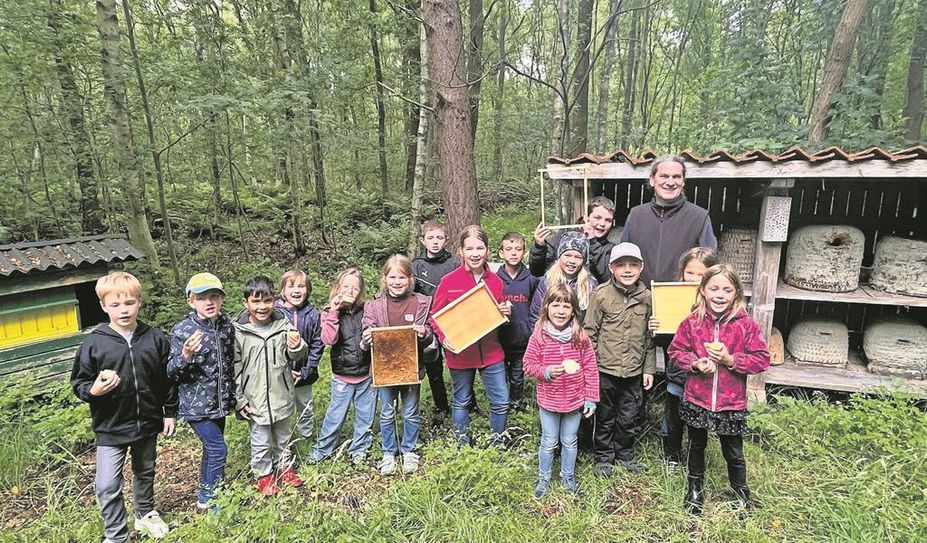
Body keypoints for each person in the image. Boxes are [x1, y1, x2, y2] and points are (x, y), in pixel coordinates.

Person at [71, 271, 176, 542]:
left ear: (139, 302)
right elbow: (79, 382)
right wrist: (93, 390)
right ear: (104, 306)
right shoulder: (94, 343)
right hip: (111, 426)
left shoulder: (155, 338)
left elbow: (167, 379)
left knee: (145, 471)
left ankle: (145, 514)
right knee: (107, 484)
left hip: (147, 421)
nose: (123, 310)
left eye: (129, 303)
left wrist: (169, 411)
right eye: (115, 305)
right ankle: (116, 535)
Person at [667, 263, 769, 515]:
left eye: (727, 290)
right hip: (697, 398)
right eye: (714, 289)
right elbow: (675, 351)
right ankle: (694, 488)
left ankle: (740, 492)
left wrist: (730, 360)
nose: (720, 295)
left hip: (730, 401)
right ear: (703, 290)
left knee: (733, 450)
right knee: (696, 445)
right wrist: (695, 363)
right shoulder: (692, 322)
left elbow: (761, 359)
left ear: (736, 293)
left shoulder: (746, 325)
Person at [430, 225, 512, 447]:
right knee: (461, 400)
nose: (475, 254)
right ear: (461, 251)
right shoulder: (449, 281)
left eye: (479, 248)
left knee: (501, 401)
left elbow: (500, 314)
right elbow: (435, 317)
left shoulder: (496, 281)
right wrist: (443, 337)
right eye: (469, 249)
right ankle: (463, 445)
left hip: (491, 352)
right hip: (461, 353)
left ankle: (497, 444)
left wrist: (506, 311)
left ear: (487, 250)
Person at [583, 243, 655, 476]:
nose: (627, 270)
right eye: (621, 265)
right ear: (611, 268)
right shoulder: (601, 295)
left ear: (641, 267)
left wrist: (649, 369)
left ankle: (625, 454)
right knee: (605, 416)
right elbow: (590, 333)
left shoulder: (648, 298)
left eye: (633, 265)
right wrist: (591, 368)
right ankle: (604, 456)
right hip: (605, 370)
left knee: (628, 416)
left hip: (634, 371)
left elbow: (649, 337)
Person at [361, 255, 436, 475]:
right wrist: (367, 336)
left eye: (402, 277)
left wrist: (425, 333)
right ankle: (389, 452)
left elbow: (430, 333)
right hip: (384, 369)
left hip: (411, 368)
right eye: (392, 277)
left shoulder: (421, 303)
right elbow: (366, 332)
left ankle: (409, 450)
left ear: (410, 279)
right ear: (384, 279)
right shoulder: (374, 306)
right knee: (387, 412)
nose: (397, 282)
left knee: (410, 411)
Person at [233, 275, 308, 496]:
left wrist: (296, 346)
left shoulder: (283, 324)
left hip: (281, 394)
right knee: (261, 440)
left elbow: (297, 353)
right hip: (254, 398)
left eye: (267, 301)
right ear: (246, 303)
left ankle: (285, 468)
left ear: (274, 300)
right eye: (256, 301)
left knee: (284, 436)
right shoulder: (238, 331)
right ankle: (263, 475)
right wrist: (239, 400)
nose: (262, 307)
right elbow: (234, 368)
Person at [167, 272, 236, 511]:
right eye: (202, 297)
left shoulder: (227, 327)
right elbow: (171, 372)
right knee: (218, 449)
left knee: (211, 449)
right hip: (195, 406)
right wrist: (186, 355)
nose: (209, 302)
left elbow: (230, 365)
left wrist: (232, 399)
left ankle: (205, 497)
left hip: (219, 403)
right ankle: (218, 505)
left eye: (214, 296)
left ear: (221, 299)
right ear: (191, 301)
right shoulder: (182, 331)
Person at [523, 284, 599, 498]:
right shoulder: (539, 336)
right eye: (555, 305)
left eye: (566, 306)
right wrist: (546, 372)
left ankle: (568, 478)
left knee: (570, 441)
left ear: (574, 311)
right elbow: (528, 364)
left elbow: (590, 368)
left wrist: (591, 398)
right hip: (549, 401)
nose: (560, 311)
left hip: (574, 401)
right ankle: (544, 478)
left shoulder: (581, 338)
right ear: (546, 308)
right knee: (549, 442)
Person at [648, 248, 719, 470]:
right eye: (690, 273)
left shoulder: (717, 303)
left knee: (699, 419)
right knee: (673, 417)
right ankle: (672, 455)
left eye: (701, 274)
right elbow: (667, 345)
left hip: (704, 376)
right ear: (682, 273)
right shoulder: (670, 298)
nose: (694, 279)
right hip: (678, 373)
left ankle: (696, 457)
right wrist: (656, 329)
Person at [310, 268, 376, 466]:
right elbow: (329, 339)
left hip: (366, 373)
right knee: (335, 415)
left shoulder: (367, 310)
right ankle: (323, 449)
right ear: (337, 288)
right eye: (346, 286)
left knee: (365, 415)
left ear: (361, 291)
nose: (350, 291)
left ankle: (359, 449)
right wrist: (334, 311)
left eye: (355, 288)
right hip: (342, 375)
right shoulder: (328, 312)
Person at [620, 155, 718, 287]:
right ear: (652, 180)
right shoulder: (636, 215)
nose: (670, 182)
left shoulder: (699, 217)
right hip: (638, 296)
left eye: (676, 177)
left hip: (681, 296)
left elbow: (710, 266)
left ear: (683, 181)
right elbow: (622, 258)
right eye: (664, 176)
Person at [411, 220, 456, 418]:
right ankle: (441, 406)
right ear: (423, 240)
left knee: (459, 364)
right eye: (431, 238)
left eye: (439, 237)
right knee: (433, 367)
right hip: (428, 324)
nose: (435, 242)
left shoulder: (454, 263)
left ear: (446, 239)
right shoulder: (416, 266)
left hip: (452, 322)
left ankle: (467, 402)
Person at [275, 270, 325, 443]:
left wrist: (307, 370)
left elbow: (318, 345)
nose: (296, 290)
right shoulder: (275, 314)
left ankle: (306, 437)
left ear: (308, 290)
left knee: (305, 406)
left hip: (304, 374)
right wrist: (284, 370)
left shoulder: (314, 315)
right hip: (280, 375)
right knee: (282, 407)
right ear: (283, 290)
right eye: (291, 286)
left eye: (301, 286)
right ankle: (283, 441)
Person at [495, 232, 539, 412]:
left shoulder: (532, 278)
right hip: (499, 339)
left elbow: (536, 307)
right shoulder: (494, 279)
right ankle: (501, 406)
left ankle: (516, 406)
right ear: (501, 253)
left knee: (517, 376)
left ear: (525, 253)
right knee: (500, 376)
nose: (513, 253)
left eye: (518, 249)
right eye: (509, 249)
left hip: (522, 339)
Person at [531, 196, 616, 285]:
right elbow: (537, 271)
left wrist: (593, 242)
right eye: (597, 218)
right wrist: (539, 248)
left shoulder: (610, 249)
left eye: (608, 220)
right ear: (586, 217)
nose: (602, 224)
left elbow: (607, 279)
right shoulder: (564, 238)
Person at [529, 231, 598, 330]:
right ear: (559, 256)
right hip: (548, 336)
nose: (572, 261)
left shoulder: (591, 285)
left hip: (578, 336)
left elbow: (592, 320)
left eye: (578, 257)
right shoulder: (547, 281)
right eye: (567, 255)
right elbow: (536, 315)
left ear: (584, 261)